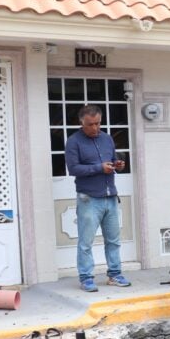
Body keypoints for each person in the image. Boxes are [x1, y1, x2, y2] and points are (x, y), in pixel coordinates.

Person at [64, 105, 131, 292]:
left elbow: (110, 160)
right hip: (89, 198)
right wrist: (99, 168)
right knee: (86, 242)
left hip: (110, 196)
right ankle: (86, 278)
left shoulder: (107, 138)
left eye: (98, 123)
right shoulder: (73, 142)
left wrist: (117, 164)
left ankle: (115, 274)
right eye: (90, 124)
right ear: (81, 123)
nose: (95, 128)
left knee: (114, 240)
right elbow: (73, 169)